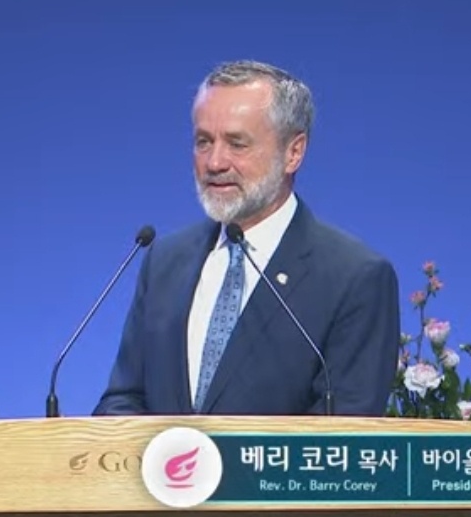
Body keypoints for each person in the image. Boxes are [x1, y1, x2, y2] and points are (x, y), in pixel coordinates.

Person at [93, 60, 400, 417]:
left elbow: (344, 430)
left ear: (293, 152)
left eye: (237, 144)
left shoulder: (355, 277)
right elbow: (122, 399)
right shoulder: (164, 260)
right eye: (203, 142)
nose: (214, 162)